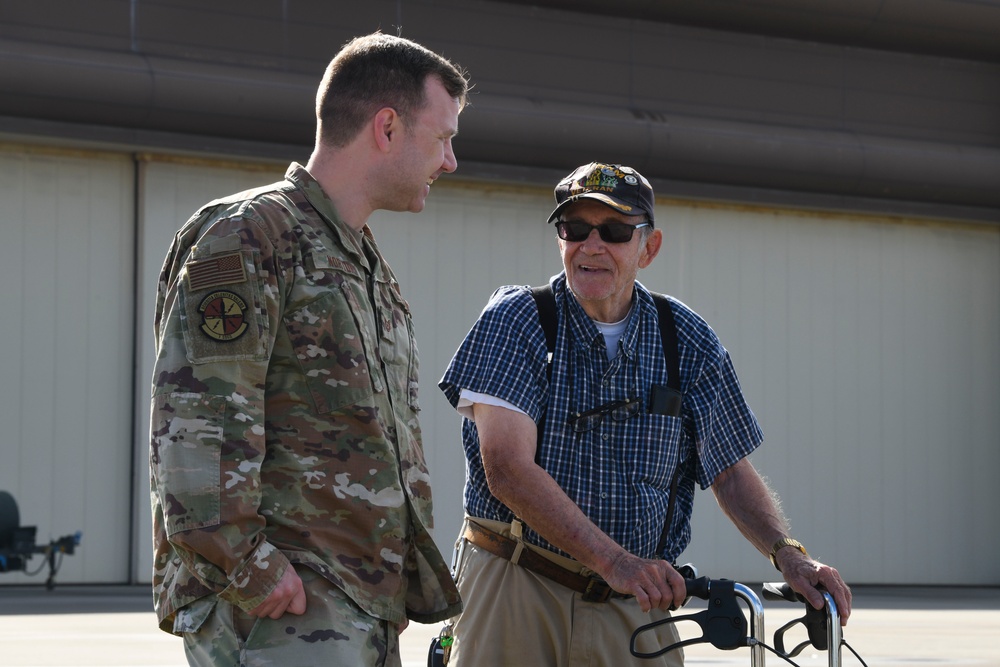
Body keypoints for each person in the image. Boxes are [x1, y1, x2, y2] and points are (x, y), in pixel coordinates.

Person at [438, 162, 852, 666]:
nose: (592, 245)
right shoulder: (517, 319)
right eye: (574, 229)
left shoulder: (686, 339)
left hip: (636, 602)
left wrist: (789, 554)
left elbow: (729, 470)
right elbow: (506, 469)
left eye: (613, 231)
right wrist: (616, 561)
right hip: (520, 587)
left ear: (648, 248)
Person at [149, 32, 469, 667]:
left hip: (354, 611)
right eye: (443, 138)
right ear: (387, 127)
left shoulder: (360, 258)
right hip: (277, 616)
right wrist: (249, 568)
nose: (450, 160)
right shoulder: (246, 237)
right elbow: (196, 423)